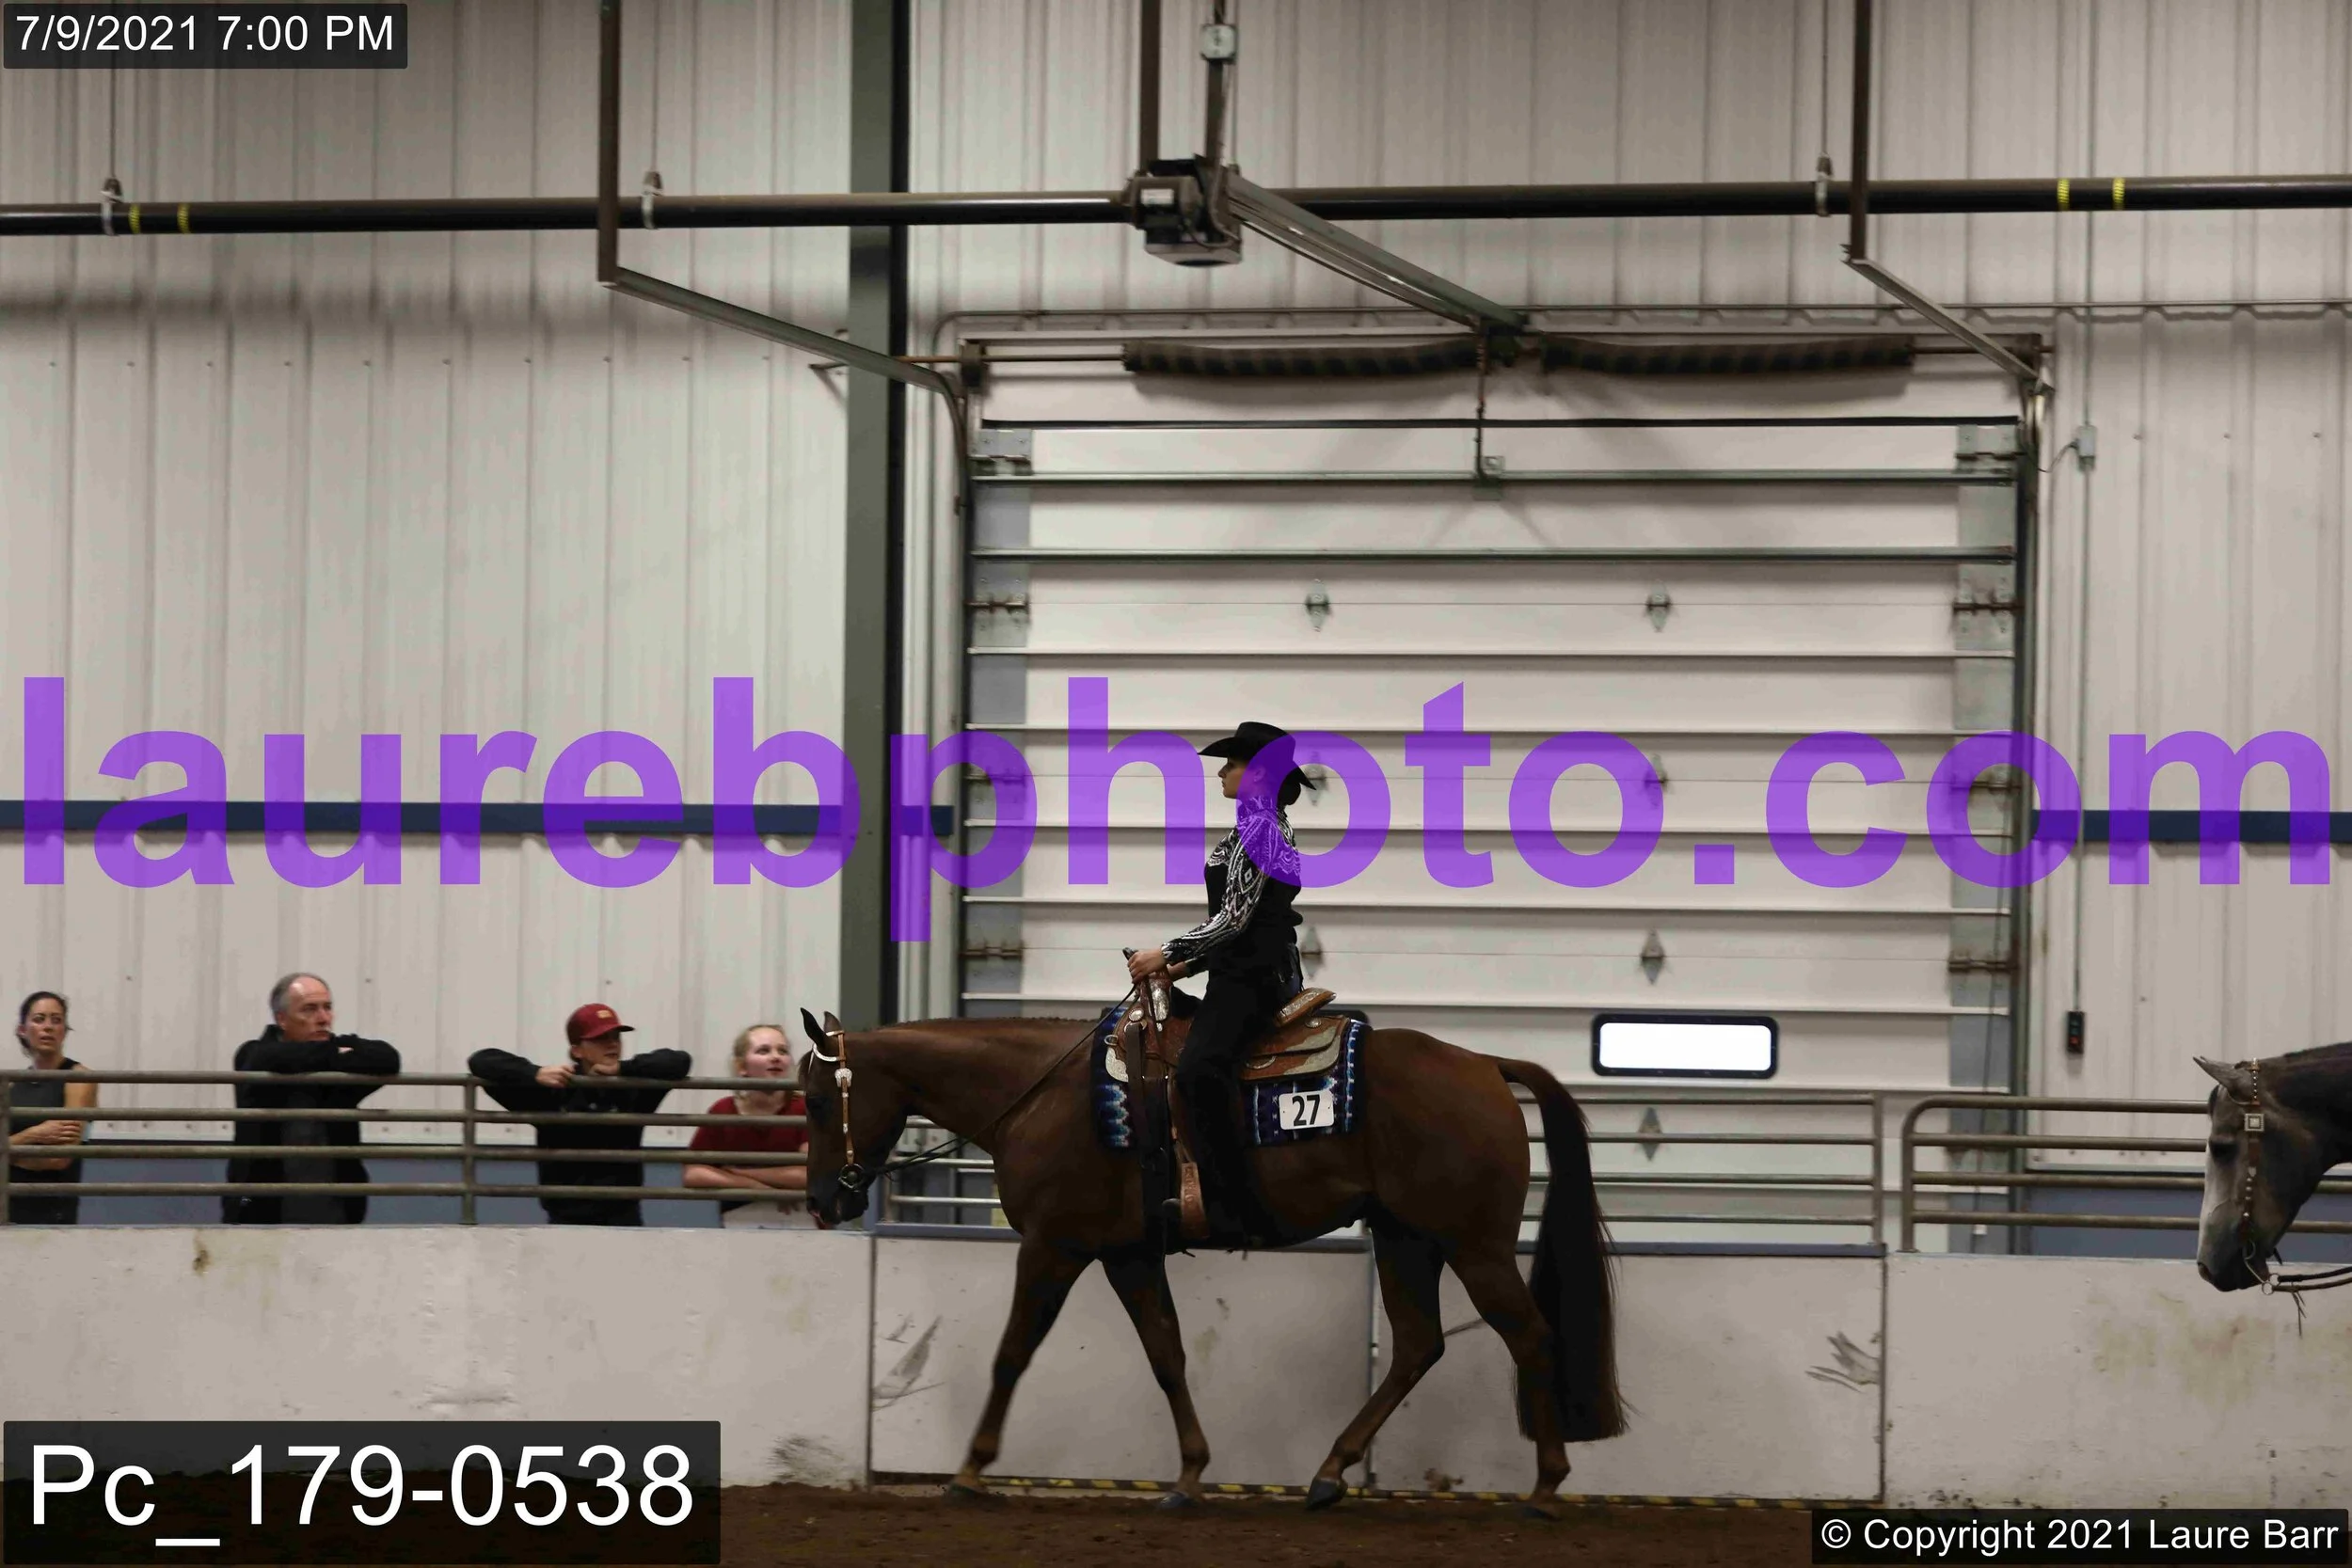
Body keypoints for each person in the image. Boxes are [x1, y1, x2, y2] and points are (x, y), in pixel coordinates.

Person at [1125, 721, 1315, 1239]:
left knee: (1198, 1072)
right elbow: (1247, 927)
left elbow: (1234, 920)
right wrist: (1183, 967)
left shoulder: (1261, 830)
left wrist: (1164, 952)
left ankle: (1231, 1205)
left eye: (1231, 764)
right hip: (1241, 969)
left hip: (1254, 980)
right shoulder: (1252, 828)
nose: (1222, 773)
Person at [469, 1004, 691, 1227]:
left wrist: (623, 1069)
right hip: (566, 1219)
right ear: (577, 1051)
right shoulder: (553, 1091)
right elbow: (481, 1061)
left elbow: (680, 1061)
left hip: (624, 1217)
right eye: (600, 1038)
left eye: (616, 1037)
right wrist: (533, 1073)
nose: (612, 1043)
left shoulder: (633, 1087)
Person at [225, 974, 401, 1225]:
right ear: (281, 1019)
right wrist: (337, 1052)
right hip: (261, 1210)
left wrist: (331, 1051)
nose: (323, 1018)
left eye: (327, 1007)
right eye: (309, 1009)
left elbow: (387, 1058)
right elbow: (271, 1058)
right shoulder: (252, 1053)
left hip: (336, 1210)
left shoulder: (332, 1057)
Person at [682, 1023, 816, 1228]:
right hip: (739, 1224)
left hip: (805, 1224)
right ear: (741, 1067)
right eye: (763, 1051)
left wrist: (739, 1172)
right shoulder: (723, 1110)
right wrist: (754, 1187)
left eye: (782, 1051)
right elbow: (694, 1174)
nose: (776, 1057)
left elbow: (810, 1175)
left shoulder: (808, 1108)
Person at [8, 991, 93, 1225]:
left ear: (64, 1031)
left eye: (56, 1020)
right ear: (22, 1030)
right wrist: (33, 1134)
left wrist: (8, 1153)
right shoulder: (12, 1085)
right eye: (39, 1019)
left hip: (52, 1210)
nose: (48, 1027)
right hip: (7, 1207)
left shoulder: (78, 1078)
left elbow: (59, 1158)